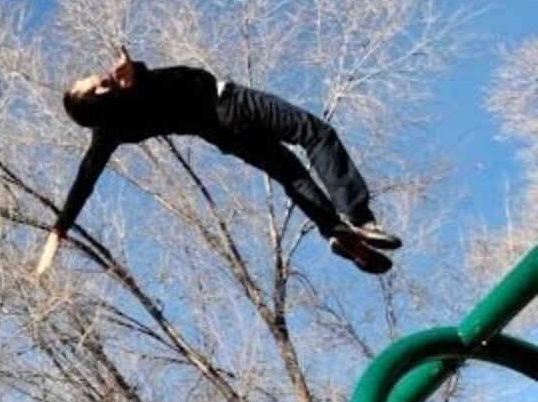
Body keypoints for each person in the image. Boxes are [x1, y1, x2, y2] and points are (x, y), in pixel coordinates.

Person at [35, 45, 402, 275]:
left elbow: (86, 176)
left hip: (222, 135)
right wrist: (137, 77)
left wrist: (58, 230)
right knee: (315, 133)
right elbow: (182, 81)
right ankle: (358, 218)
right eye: (94, 85)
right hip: (230, 104)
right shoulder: (129, 92)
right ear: (97, 100)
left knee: (288, 172)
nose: (99, 78)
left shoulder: (110, 131)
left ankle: (334, 230)